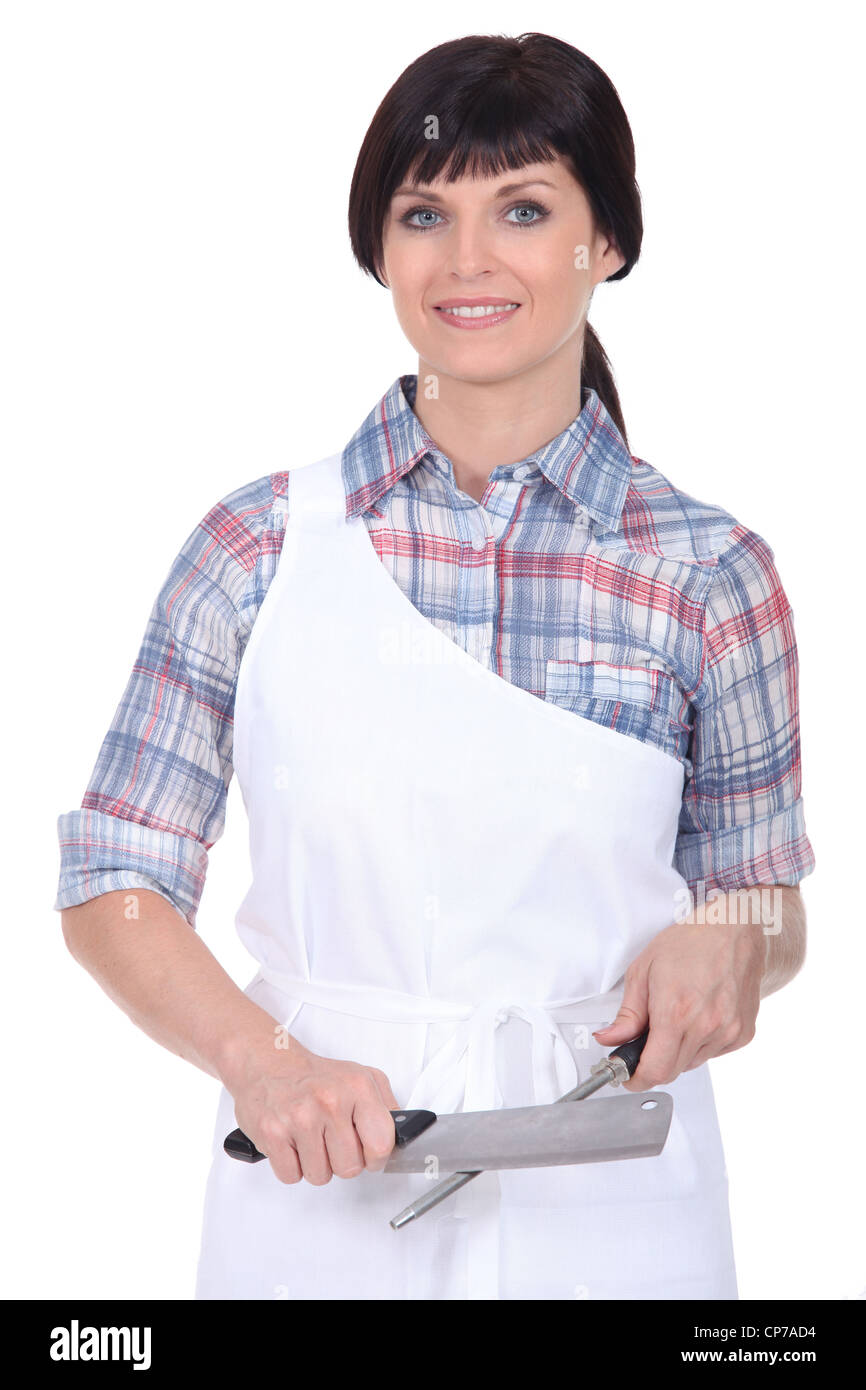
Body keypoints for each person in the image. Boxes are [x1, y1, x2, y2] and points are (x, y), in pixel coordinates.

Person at [55, 32, 815, 1300]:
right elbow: (115, 876)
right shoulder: (254, 548)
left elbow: (759, 898)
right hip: (315, 1192)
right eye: (423, 214)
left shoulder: (707, 572)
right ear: (380, 251)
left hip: (611, 1193)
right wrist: (265, 1064)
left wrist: (728, 933)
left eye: (521, 209)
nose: (466, 261)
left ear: (605, 242)